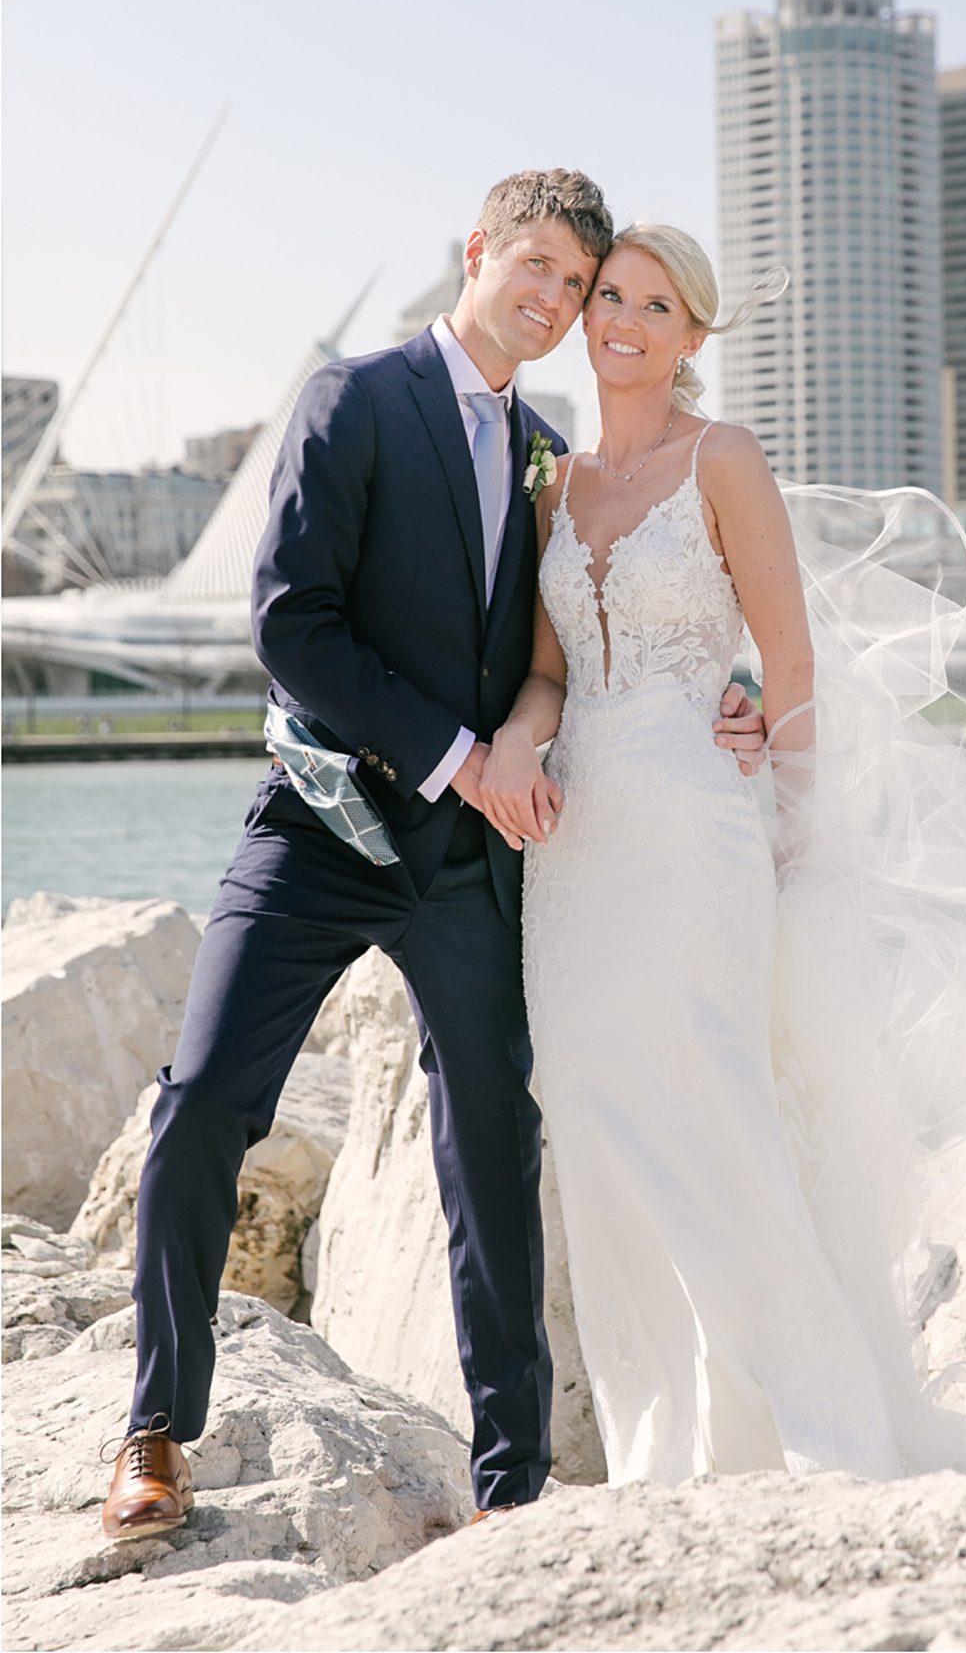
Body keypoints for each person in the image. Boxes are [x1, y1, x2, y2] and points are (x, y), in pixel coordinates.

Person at [99, 174, 767, 1542]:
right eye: (533, 265)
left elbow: (569, 646)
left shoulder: (544, 452)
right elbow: (292, 621)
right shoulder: (355, 399)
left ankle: (510, 1478)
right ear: (476, 254)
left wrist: (725, 695)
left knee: (492, 1141)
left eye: (574, 285)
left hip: (469, 856)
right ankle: (155, 1430)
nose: (552, 298)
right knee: (206, 1100)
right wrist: (462, 761)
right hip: (323, 823)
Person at [478, 223, 966, 1523]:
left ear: (693, 338)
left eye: (656, 306)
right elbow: (551, 668)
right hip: (575, 853)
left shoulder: (723, 460)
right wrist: (514, 739)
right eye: (610, 295)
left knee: (717, 1114)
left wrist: (795, 826)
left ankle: (815, 1423)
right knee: (599, 1128)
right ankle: (664, 1445)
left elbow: (788, 666)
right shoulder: (552, 483)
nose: (623, 320)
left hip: (700, 839)